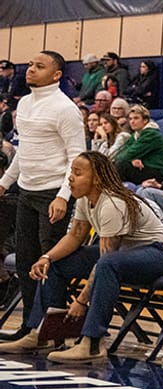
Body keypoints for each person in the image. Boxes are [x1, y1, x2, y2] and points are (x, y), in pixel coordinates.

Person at [0, 151, 163, 360]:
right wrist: (47, 258)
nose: (70, 177)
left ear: (97, 179)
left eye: (78, 173)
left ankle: (93, 344)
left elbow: (106, 259)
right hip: (127, 254)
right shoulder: (85, 200)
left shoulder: (113, 203)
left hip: (162, 254)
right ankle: (44, 334)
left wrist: (81, 300)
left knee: (107, 264)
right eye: (71, 172)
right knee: (58, 264)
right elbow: (76, 235)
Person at [0, 51, 87, 343]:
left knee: (49, 263)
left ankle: (51, 333)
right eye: (31, 64)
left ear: (57, 75)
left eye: (40, 66)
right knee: (25, 262)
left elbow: (78, 157)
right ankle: (30, 325)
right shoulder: (24, 103)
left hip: (53, 193)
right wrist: (4, 183)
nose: (31, 69)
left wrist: (64, 196)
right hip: (27, 191)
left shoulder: (65, 108)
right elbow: (24, 150)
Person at [113, 105, 163, 185]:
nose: (132, 121)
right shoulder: (135, 135)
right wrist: (132, 159)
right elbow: (122, 152)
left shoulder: (151, 134)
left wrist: (130, 159)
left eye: (136, 118)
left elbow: (126, 155)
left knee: (121, 165)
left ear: (145, 120)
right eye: (130, 119)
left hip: (160, 173)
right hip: (146, 168)